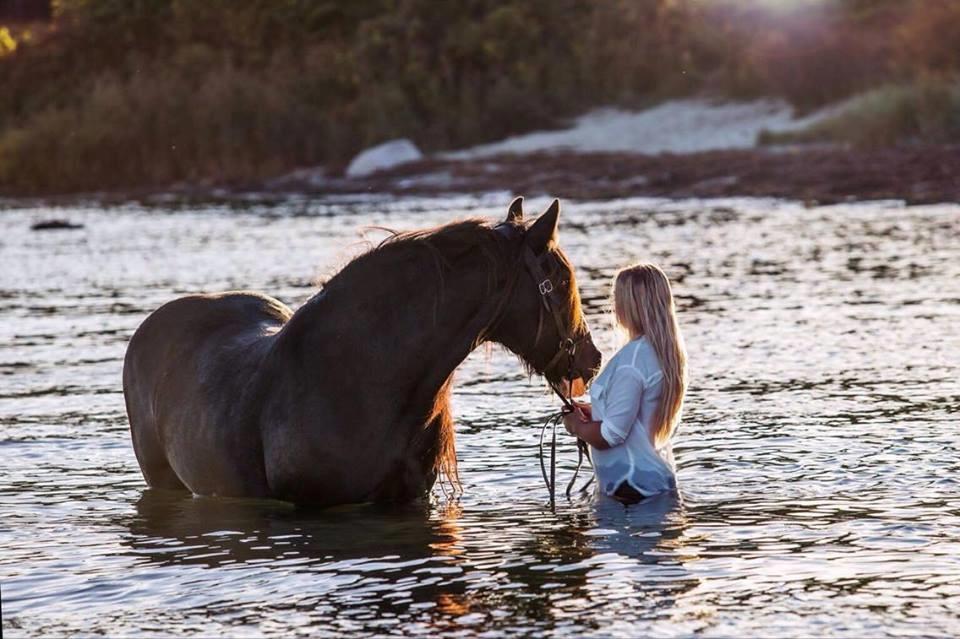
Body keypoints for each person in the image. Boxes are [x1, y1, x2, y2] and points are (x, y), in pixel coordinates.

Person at [562, 263, 688, 504]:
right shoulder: (660, 352)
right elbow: (637, 416)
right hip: (649, 485)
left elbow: (611, 435)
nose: (614, 306)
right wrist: (595, 412)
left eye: (617, 298)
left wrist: (575, 426)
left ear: (630, 305)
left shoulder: (632, 360)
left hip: (632, 492)